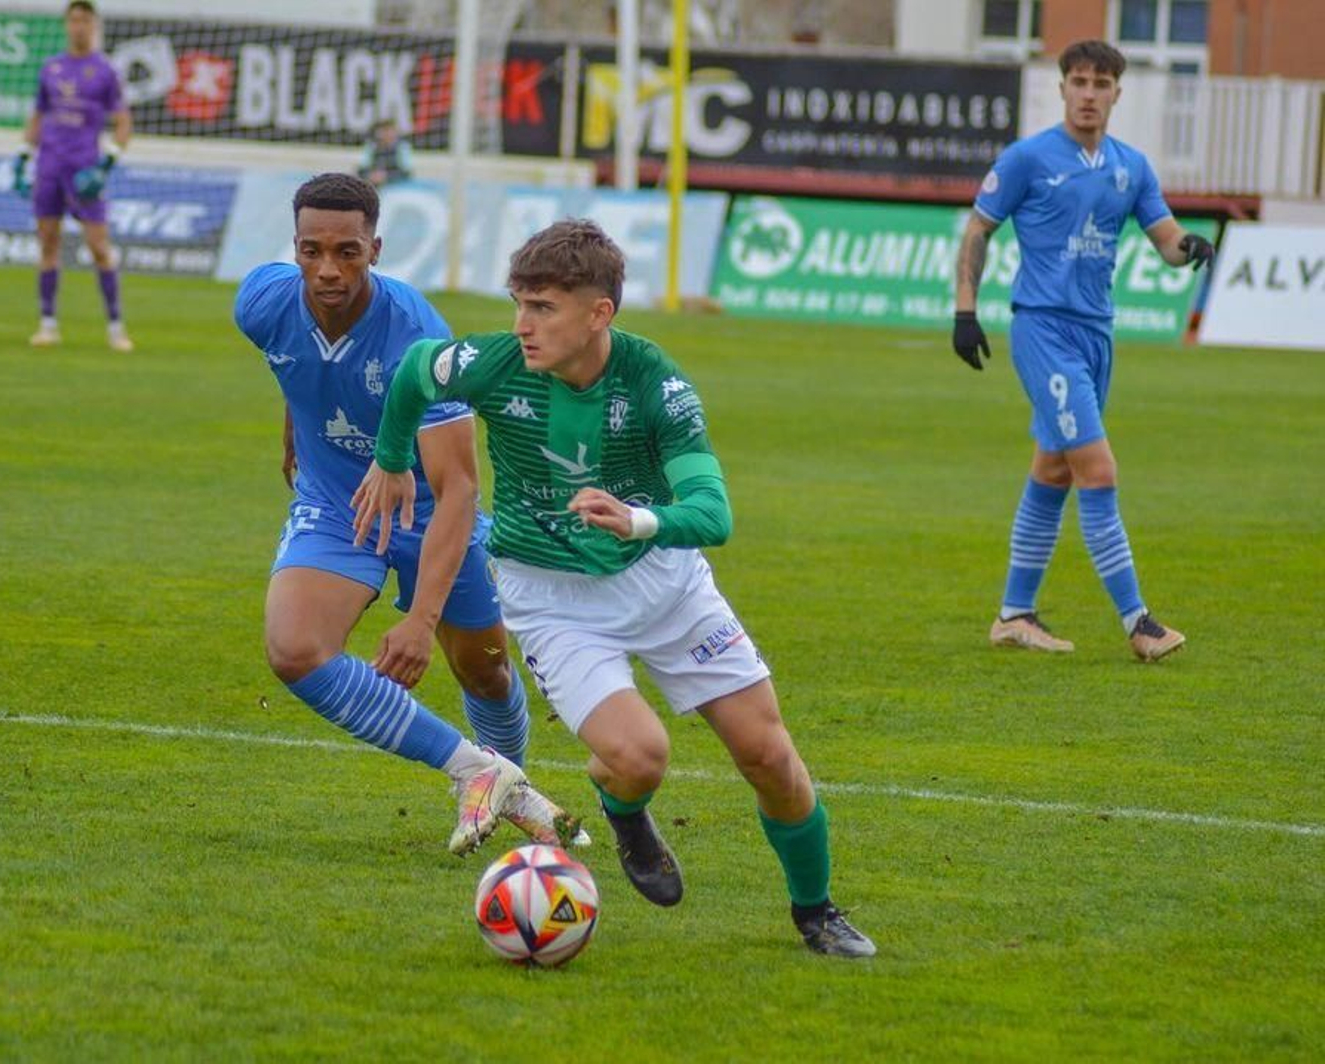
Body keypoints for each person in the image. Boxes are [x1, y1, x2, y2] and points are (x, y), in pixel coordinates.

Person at [353, 219, 875, 958]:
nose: (522, 325)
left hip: (664, 582)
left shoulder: (655, 383)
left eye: (544, 308)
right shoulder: (492, 364)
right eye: (519, 303)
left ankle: (816, 913)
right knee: (640, 756)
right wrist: (394, 456)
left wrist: (637, 520)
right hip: (550, 600)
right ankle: (623, 808)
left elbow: (714, 514)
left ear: (600, 313)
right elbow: (412, 373)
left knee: (768, 755)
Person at [233, 173, 581, 857]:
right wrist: (294, 426)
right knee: (295, 649)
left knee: (484, 672)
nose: (327, 269)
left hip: (430, 514)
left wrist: (420, 621)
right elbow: (294, 366)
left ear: (377, 248)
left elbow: (458, 488)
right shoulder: (262, 302)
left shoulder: (414, 336)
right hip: (337, 508)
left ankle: (507, 788)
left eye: (348, 253)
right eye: (311, 251)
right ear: (293, 248)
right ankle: (477, 771)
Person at [953, 39, 1213, 662]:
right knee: (1098, 469)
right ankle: (1139, 623)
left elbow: (1166, 239)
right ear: (1062, 88)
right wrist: (966, 309)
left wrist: (1191, 249)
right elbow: (979, 228)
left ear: (1117, 93)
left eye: (1101, 83)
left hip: (1097, 335)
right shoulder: (1028, 159)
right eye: (1079, 82)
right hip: (1044, 331)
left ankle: (1014, 615)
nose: (1089, 94)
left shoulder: (1132, 166)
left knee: (1053, 469)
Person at [17, 0, 134, 352]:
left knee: (99, 247)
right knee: (48, 243)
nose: (78, 26)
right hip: (49, 166)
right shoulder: (51, 67)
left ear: (94, 25)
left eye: (84, 20)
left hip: (85, 169)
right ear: (66, 25)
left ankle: (116, 328)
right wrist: (23, 156)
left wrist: (106, 164)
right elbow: (38, 114)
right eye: (73, 20)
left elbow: (124, 121)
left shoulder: (104, 70)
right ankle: (48, 325)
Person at [357, 119, 414, 187]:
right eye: (384, 131)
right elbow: (361, 169)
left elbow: (406, 172)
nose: (386, 134)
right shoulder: (372, 146)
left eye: (389, 131)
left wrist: (386, 176)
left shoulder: (402, 147)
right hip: (374, 184)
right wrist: (371, 175)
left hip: (396, 186)